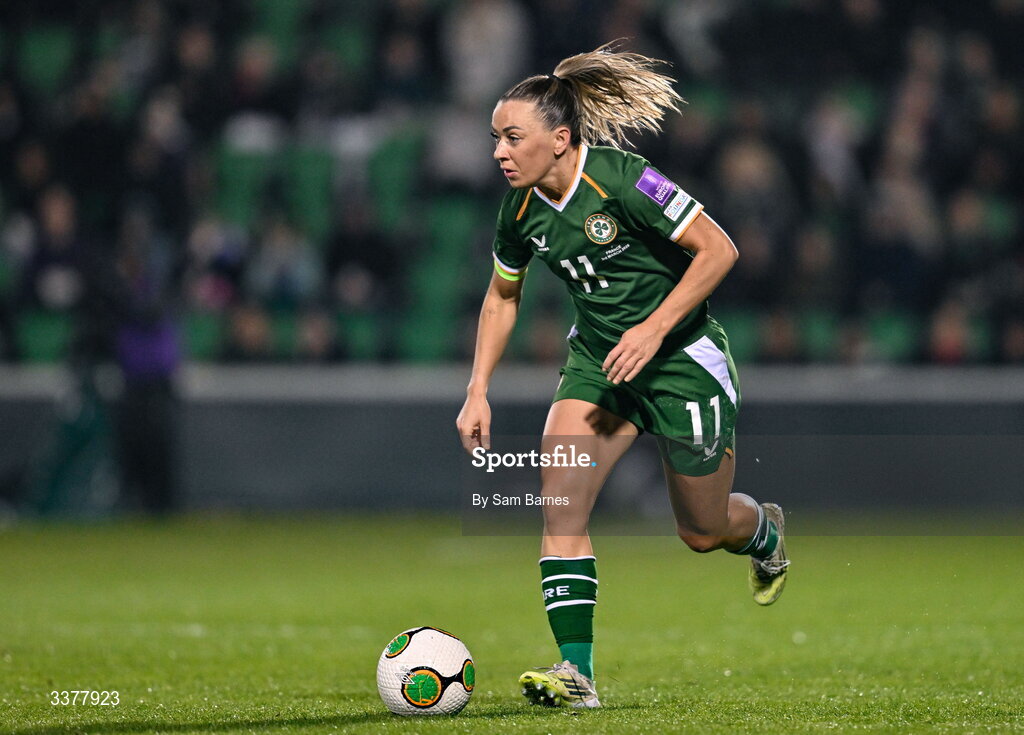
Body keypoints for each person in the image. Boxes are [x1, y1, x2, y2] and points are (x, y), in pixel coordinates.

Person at [456, 44, 790, 709]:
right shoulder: (518, 210)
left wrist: (653, 327)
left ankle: (763, 531)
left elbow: (719, 249)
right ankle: (576, 673)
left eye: (512, 136)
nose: (499, 150)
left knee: (701, 530)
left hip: (682, 360)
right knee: (561, 494)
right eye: (495, 136)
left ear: (559, 138)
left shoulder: (627, 179)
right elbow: (502, 296)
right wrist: (477, 388)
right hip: (602, 364)